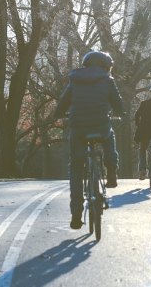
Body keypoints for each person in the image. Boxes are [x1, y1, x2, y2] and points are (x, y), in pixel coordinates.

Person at [53, 50, 125, 230]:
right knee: (110, 136)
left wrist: (59, 114)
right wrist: (120, 113)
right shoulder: (108, 81)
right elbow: (117, 103)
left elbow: (63, 102)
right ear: (105, 67)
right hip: (100, 126)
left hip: (78, 128)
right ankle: (112, 173)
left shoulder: (75, 79)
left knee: (76, 166)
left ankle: (76, 214)